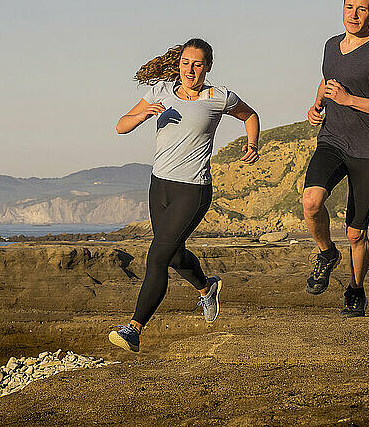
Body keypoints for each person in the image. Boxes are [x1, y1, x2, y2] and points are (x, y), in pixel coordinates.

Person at [109, 38, 260, 352]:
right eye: (186, 63)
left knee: (157, 258)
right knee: (175, 256)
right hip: (159, 186)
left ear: (208, 67)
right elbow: (120, 126)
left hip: (193, 190)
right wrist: (143, 115)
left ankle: (133, 329)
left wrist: (252, 143)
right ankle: (207, 287)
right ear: (179, 64)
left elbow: (250, 116)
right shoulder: (161, 92)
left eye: (198, 64)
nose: (191, 70)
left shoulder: (220, 97)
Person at [303, 0, 369, 317]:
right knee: (311, 201)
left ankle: (356, 289)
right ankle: (327, 253)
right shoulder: (331, 45)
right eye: (349, 7)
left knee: (356, 233)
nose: (354, 14)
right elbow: (327, 78)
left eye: (362, 8)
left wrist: (349, 100)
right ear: (342, 8)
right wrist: (317, 104)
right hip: (332, 140)